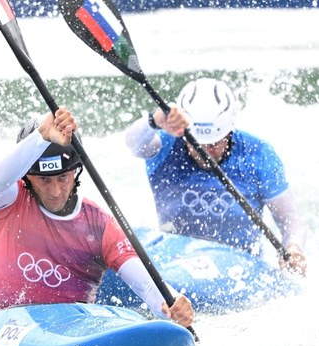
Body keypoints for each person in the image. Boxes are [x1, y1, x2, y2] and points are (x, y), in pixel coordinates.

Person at [0, 106, 194, 327]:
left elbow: (147, 285)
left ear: (76, 172)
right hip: (2, 328)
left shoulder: (99, 226)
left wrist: (172, 302)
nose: (55, 191)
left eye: (62, 177)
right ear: (28, 177)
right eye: (44, 180)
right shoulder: (7, 201)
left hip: (72, 333)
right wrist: (41, 137)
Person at [125, 78, 307, 274]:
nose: (206, 152)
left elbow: (289, 220)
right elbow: (133, 144)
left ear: (229, 132)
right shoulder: (165, 146)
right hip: (175, 258)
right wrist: (155, 120)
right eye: (197, 144)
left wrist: (293, 247)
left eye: (214, 143)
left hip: (240, 265)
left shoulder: (258, 154)